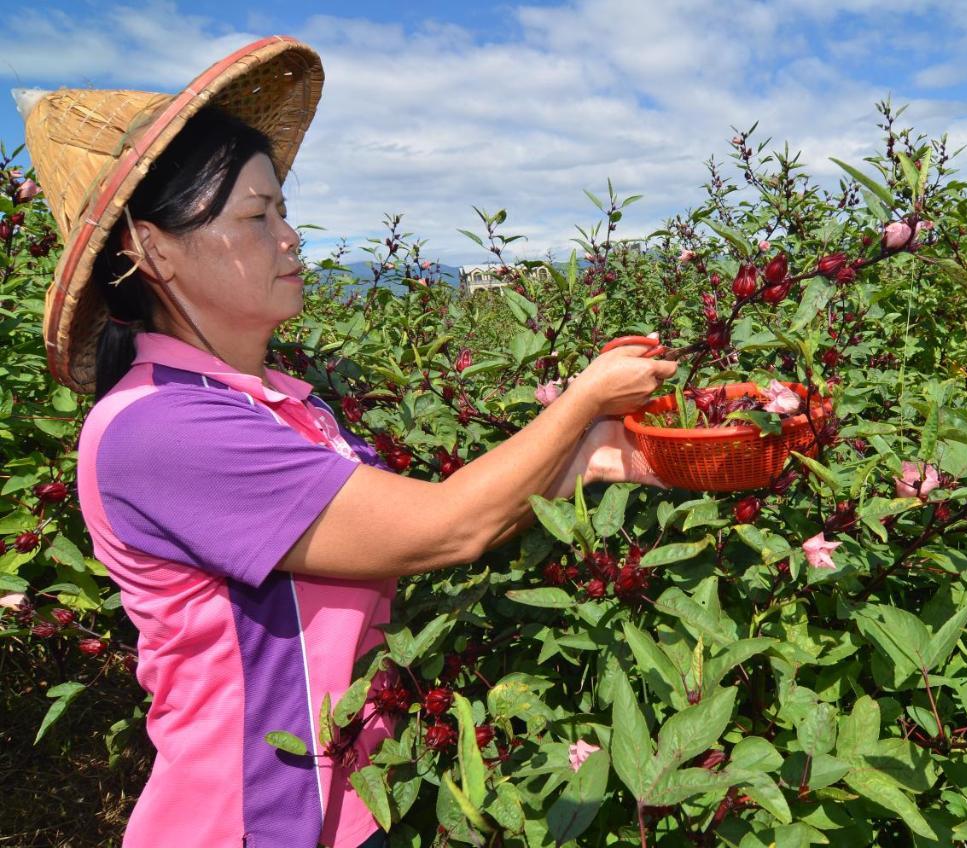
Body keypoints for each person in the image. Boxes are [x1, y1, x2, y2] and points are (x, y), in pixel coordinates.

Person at [17, 37, 674, 848]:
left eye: (283, 211)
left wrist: (601, 458)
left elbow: (420, 517)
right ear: (150, 250)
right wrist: (582, 399)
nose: (290, 238)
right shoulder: (159, 430)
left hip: (351, 802)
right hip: (252, 822)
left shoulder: (284, 404)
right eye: (256, 216)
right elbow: (445, 528)